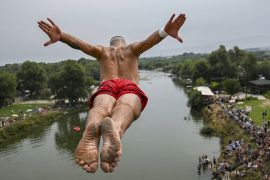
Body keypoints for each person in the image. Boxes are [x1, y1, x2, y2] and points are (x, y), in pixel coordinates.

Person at [38, 13, 186, 173]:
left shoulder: (103, 51)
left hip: (107, 86)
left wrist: (62, 37)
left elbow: (81, 45)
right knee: (127, 105)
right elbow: (149, 42)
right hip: (129, 85)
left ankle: (91, 131)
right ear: (123, 42)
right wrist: (164, 32)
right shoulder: (132, 49)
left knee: (101, 107)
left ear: (111, 44)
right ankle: (115, 128)